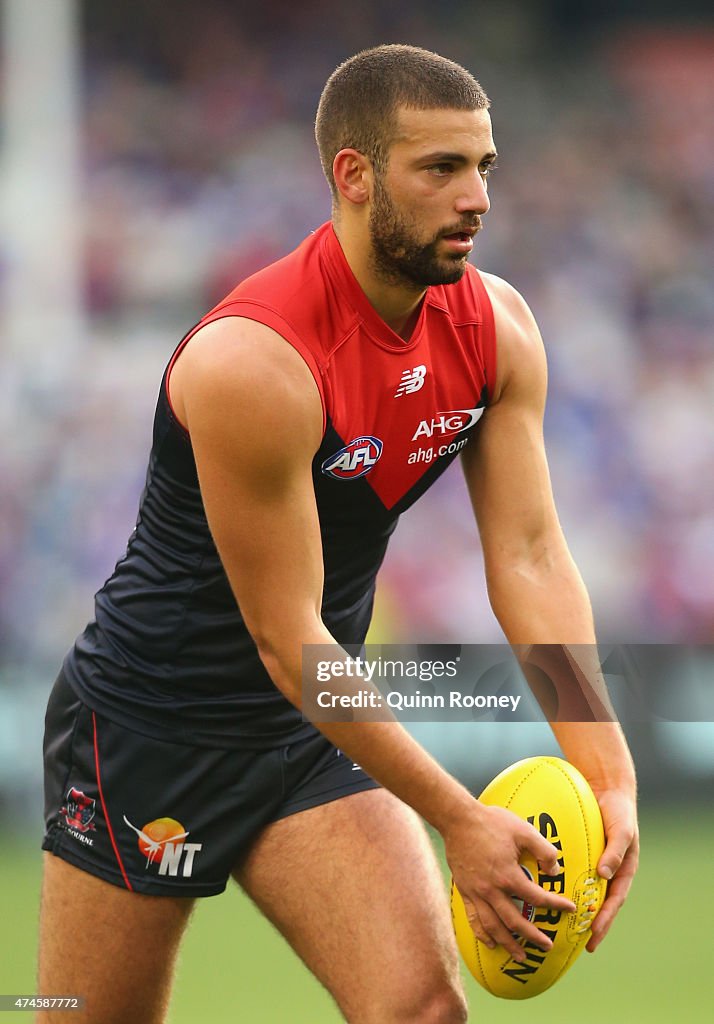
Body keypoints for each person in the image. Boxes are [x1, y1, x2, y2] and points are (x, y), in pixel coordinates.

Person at [39, 44, 638, 1024]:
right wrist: (457, 816)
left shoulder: (499, 331)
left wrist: (607, 770)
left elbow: (529, 558)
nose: (475, 196)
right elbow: (292, 644)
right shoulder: (255, 363)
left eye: (483, 166)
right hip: (146, 734)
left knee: (424, 1011)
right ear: (353, 177)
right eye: (440, 169)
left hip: (307, 733)